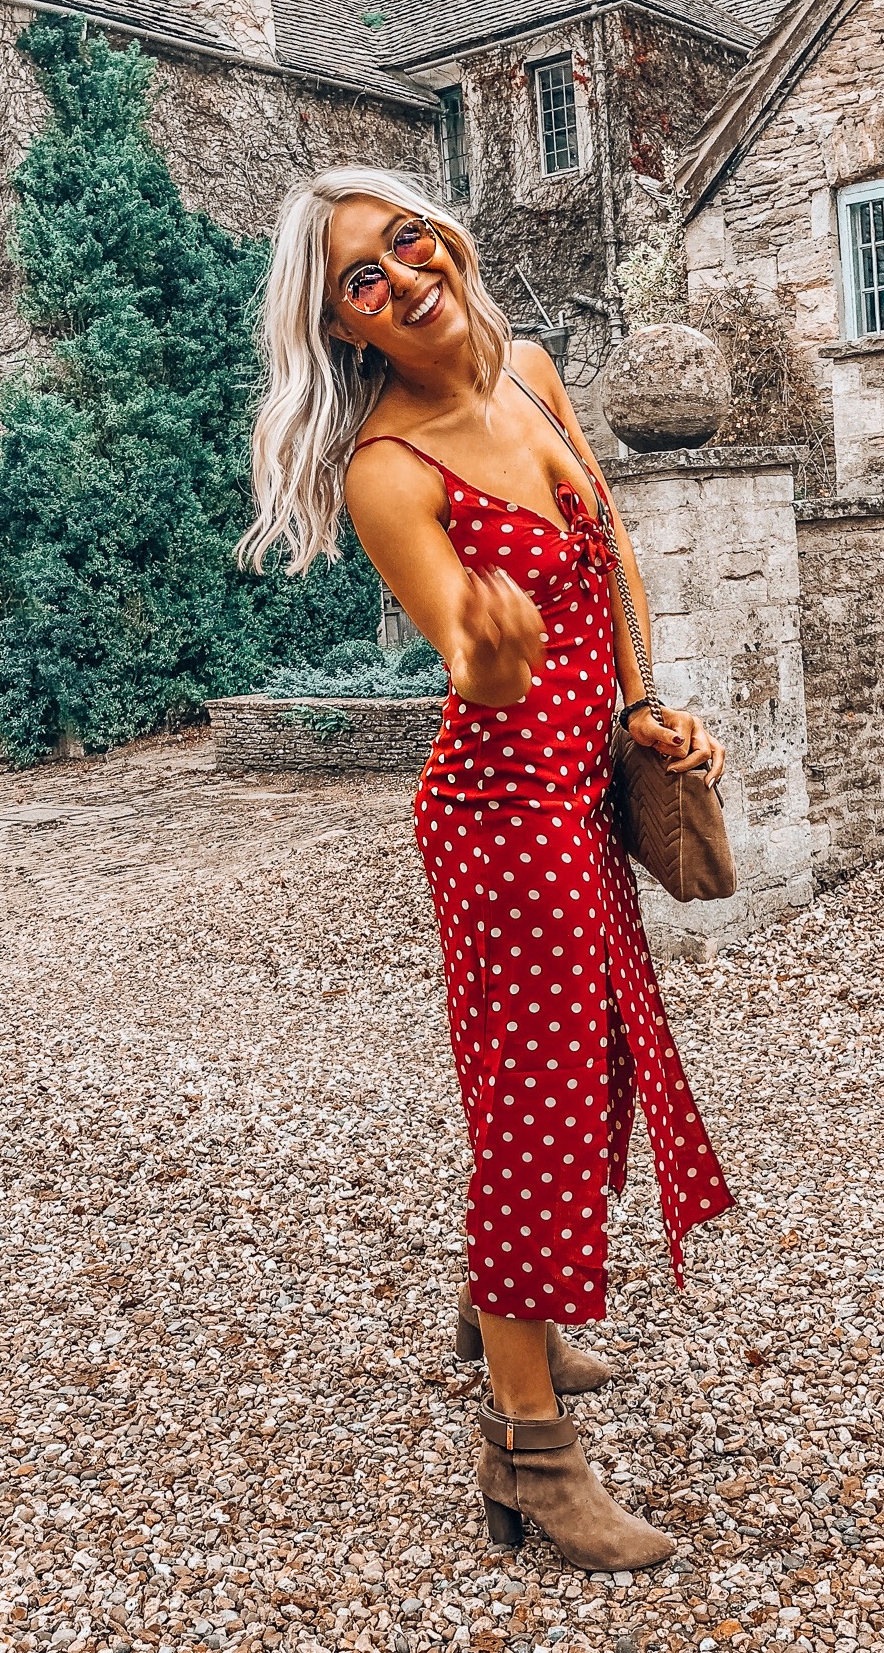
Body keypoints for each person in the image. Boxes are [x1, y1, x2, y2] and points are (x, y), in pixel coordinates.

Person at [245, 166, 735, 1571]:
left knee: (583, 1078)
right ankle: (527, 1456)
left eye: (402, 240)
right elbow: (468, 650)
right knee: (537, 1110)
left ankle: (494, 1309)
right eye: (358, 279)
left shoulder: (529, 373)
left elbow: (611, 556)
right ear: (345, 330)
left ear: (440, 234)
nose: (396, 275)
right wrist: (490, 659)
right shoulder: (390, 470)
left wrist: (642, 704)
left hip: (584, 790)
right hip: (502, 817)